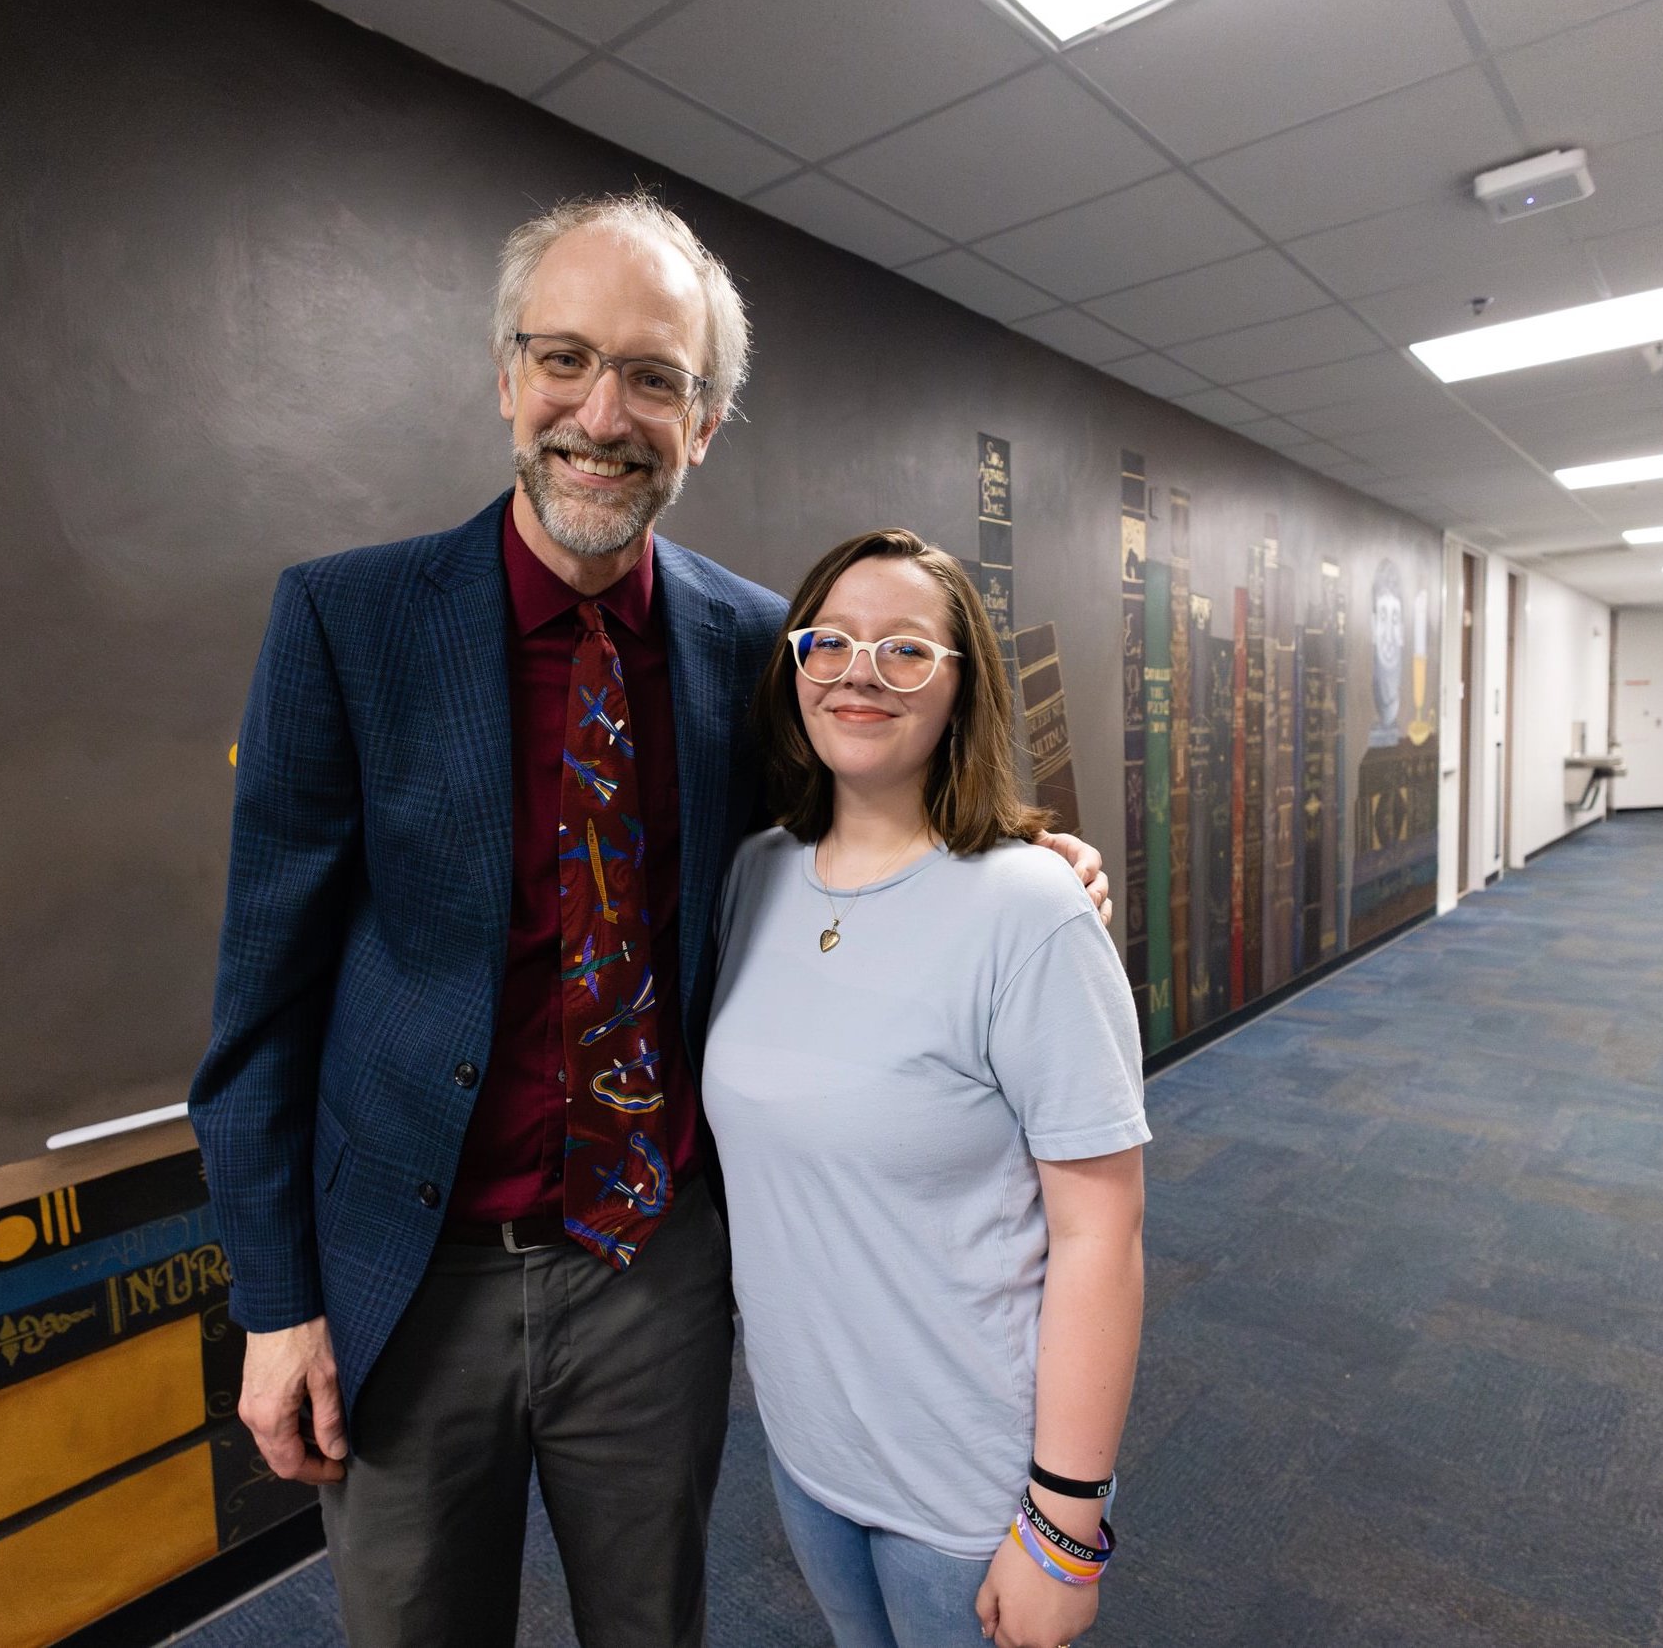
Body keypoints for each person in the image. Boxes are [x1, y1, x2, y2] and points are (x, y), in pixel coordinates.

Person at [187, 191, 1112, 1648]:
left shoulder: (753, 644)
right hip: (409, 1284)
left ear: (706, 420)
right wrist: (276, 1297)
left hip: (651, 1275)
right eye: (563, 358)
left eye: (654, 377)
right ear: (506, 377)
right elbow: (261, 1010)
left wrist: (1016, 852)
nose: (600, 412)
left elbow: (853, 826)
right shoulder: (346, 625)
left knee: (652, 1623)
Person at [706, 529, 1147, 1648]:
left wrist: (1063, 1520)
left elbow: (1101, 1229)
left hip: (969, 1480)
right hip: (808, 1448)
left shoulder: (1029, 909)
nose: (860, 671)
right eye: (832, 642)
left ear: (961, 688)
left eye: (905, 649)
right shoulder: (753, 876)